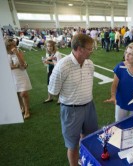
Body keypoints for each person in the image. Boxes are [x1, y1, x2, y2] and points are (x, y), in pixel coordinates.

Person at [48, 34, 98, 166]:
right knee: (72, 145)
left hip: (89, 107)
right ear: (79, 49)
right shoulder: (62, 66)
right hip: (71, 110)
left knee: (89, 139)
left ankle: (85, 160)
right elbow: (52, 90)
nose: (91, 51)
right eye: (89, 48)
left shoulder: (90, 64)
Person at [104, 43, 133, 122]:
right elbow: (114, 85)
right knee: (119, 124)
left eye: (130, 54)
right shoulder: (120, 67)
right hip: (122, 100)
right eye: (126, 52)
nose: (126, 55)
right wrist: (113, 96)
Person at [5, 38, 32, 119]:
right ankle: (22, 107)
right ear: (7, 46)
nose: (13, 46)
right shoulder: (4, 54)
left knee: (23, 93)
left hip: (21, 75)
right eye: (11, 45)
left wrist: (16, 54)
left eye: (14, 44)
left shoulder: (18, 51)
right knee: (16, 94)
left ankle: (27, 110)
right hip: (12, 76)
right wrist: (16, 66)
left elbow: (23, 64)